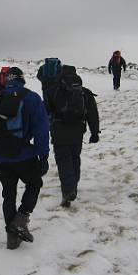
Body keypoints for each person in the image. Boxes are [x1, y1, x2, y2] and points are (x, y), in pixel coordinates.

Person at [0, 67, 50, 250]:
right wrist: (43, 154)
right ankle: (22, 217)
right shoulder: (31, 98)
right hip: (24, 155)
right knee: (34, 184)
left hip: (1, 157)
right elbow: (41, 128)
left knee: (8, 193)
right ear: (22, 79)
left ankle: (12, 236)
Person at [46, 65, 100, 207]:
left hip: (59, 130)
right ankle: (72, 185)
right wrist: (94, 132)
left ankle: (69, 190)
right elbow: (92, 113)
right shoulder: (84, 92)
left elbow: (44, 112)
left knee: (63, 160)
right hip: (78, 130)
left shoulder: (53, 91)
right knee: (74, 158)